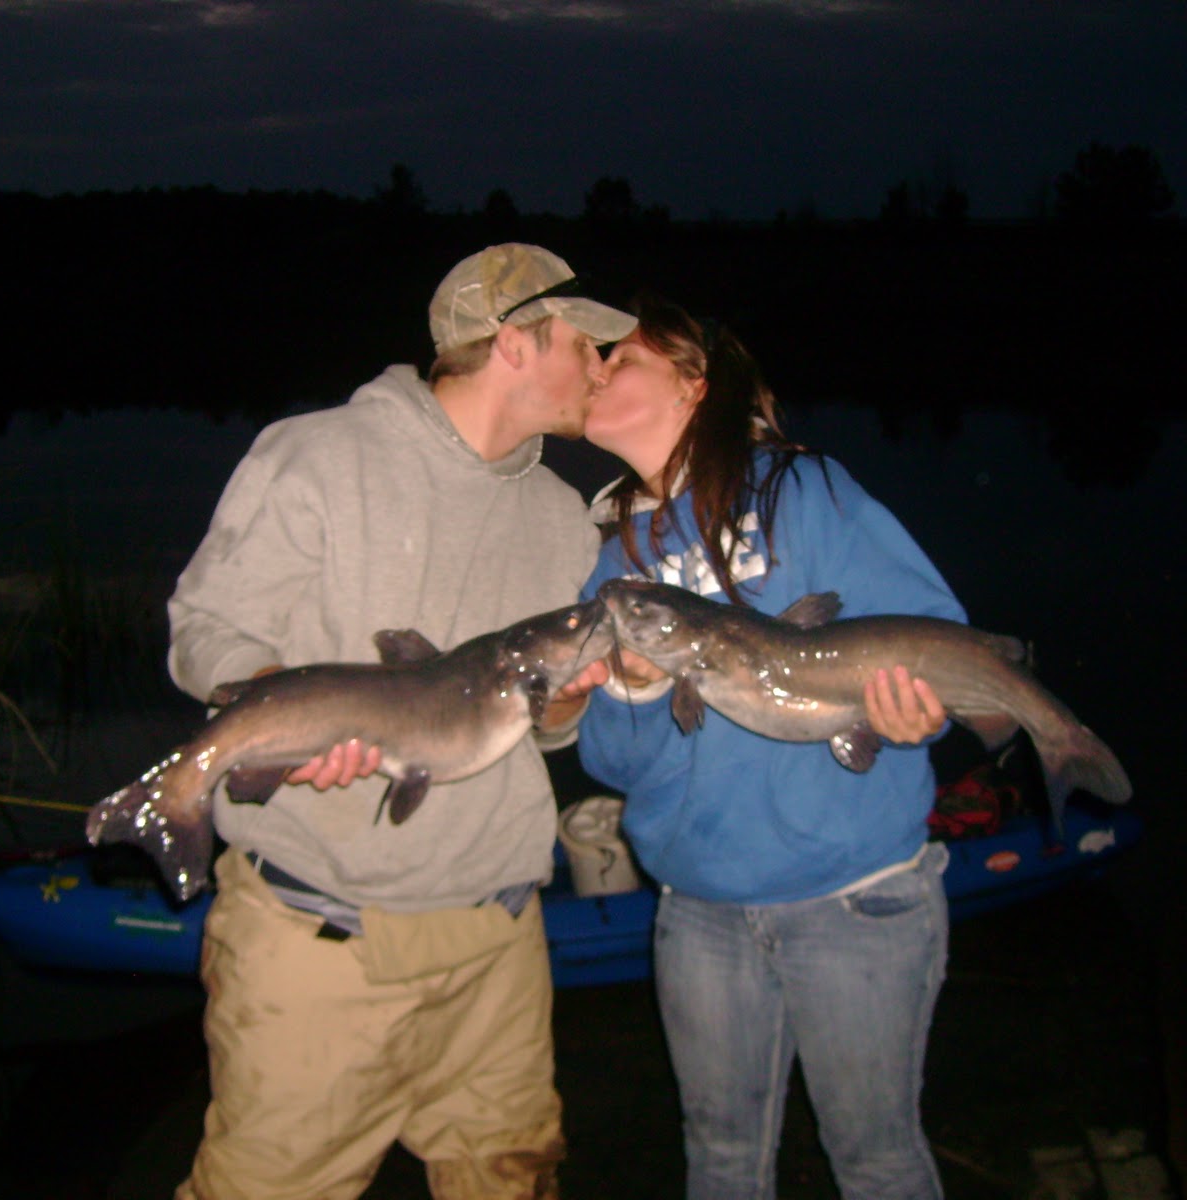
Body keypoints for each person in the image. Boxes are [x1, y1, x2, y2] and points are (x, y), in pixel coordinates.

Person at [164, 243, 637, 1200]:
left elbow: (546, 733)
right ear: (514, 343)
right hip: (320, 943)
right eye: (583, 345)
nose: (602, 368)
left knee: (514, 1182)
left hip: (500, 940)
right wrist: (286, 711)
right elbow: (203, 630)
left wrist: (569, 701)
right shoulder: (316, 455)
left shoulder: (562, 519)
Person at [569, 295, 966, 1200]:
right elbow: (610, 765)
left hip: (855, 898)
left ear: (694, 384)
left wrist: (921, 711)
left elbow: (933, 631)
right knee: (719, 1162)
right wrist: (633, 687)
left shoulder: (802, 489)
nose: (596, 371)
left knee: (876, 1160)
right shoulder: (613, 561)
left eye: (621, 359)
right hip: (700, 911)